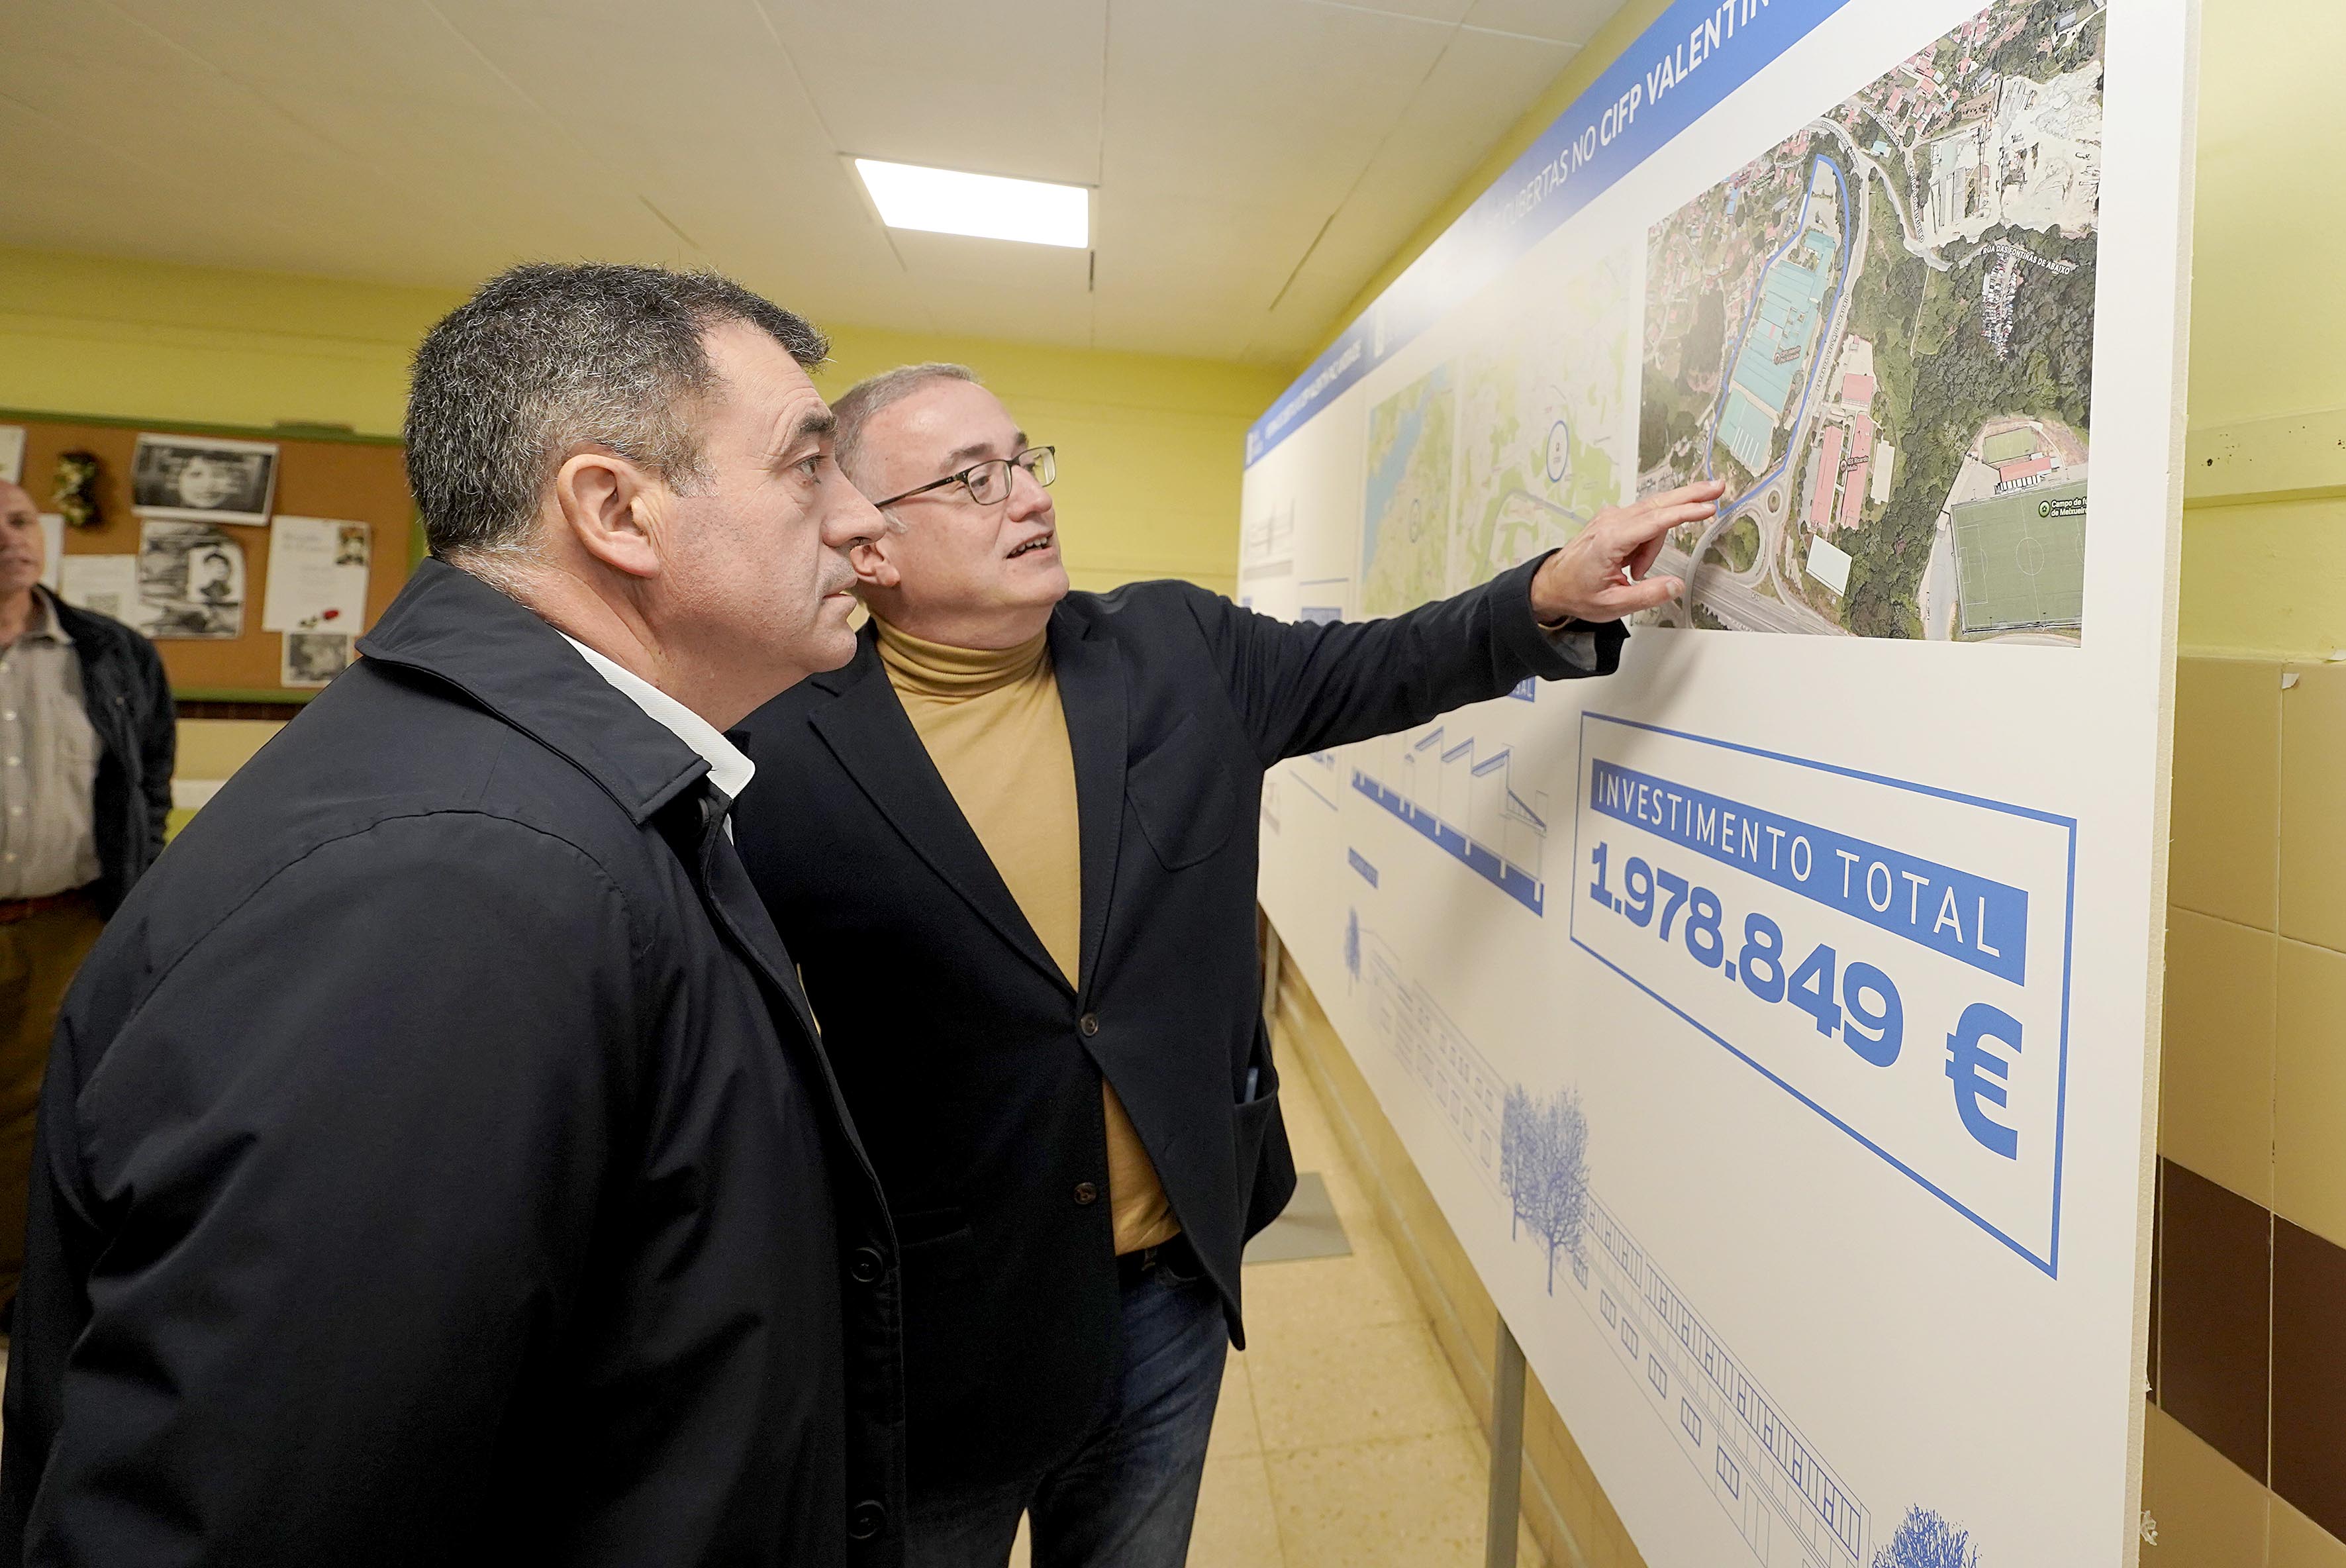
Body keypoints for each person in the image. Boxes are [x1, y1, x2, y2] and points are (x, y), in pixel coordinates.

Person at [730, 361, 1724, 1567]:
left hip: (1169, 1292)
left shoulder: (1169, 646)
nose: (1028, 498)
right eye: (971, 479)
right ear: (869, 546)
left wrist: (1545, 595)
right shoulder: (767, 746)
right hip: (945, 1321)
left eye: (1024, 459)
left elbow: (1384, 661)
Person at [0, 264, 909, 1566]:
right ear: (615, 508)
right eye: (809, 464)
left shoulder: (541, 801)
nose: (865, 518)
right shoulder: (452, 880)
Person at [0, 480, 174, 1320]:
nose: (10, 538)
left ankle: (13, 1295)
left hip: (68, 924)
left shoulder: (110, 653)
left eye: (21, 519)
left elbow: (147, 784)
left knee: (37, 1123)